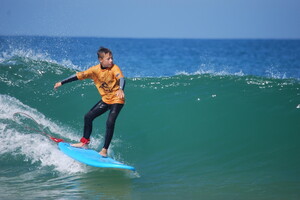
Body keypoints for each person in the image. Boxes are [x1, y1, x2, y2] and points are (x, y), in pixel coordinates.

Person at [54, 47, 125, 157]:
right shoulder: (94, 70)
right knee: (88, 117)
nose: (111, 61)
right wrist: (62, 82)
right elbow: (78, 76)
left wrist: (120, 89)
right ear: (101, 60)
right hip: (106, 99)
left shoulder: (115, 68)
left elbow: (121, 79)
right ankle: (84, 143)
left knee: (110, 122)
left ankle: (104, 150)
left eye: (112, 58)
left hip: (117, 99)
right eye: (108, 59)